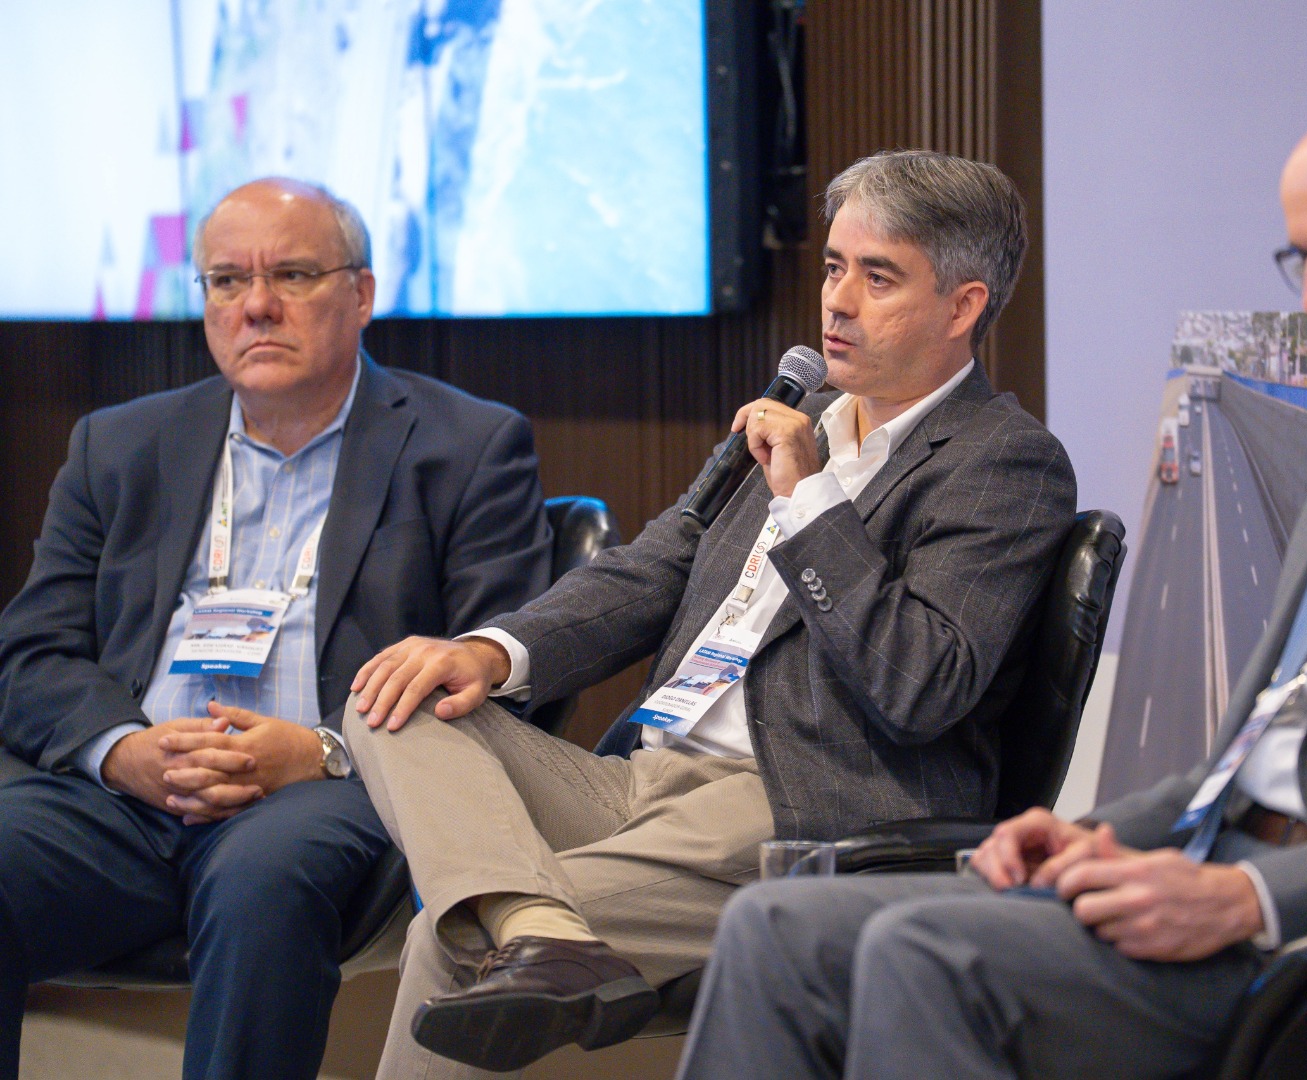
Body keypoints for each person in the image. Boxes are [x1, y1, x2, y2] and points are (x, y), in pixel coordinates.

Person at [674, 91, 1307, 1080]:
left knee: (922, 954)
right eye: (1302, 261)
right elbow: (1253, 761)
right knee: (777, 927)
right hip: (1217, 864)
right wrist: (1091, 835)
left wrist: (1252, 899)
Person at [343, 149, 1078, 1074]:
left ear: (963, 306)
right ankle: (537, 925)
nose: (838, 303)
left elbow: (919, 682)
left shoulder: (1002, 461)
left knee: (448, 939)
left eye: (878, 277)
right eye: (834, 268)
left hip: (794, 802)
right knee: (393, 696)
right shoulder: (803, 409)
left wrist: (809, 500)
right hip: (641, 776)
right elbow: (656, 565)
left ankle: (527, 927)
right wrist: (493, 652)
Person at [0, 178, 553, 1080]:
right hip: (129, 797)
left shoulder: (469, 447)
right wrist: (123, 751)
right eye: (227, 281)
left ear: (361, 294)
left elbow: (502, 673)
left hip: (324, 792)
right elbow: (31, 654)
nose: (255, 306)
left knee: (264, 876)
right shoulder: (119, 445)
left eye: (292, 275)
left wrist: (324, 751)